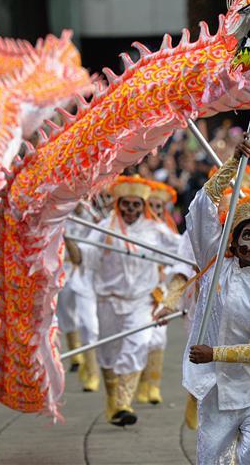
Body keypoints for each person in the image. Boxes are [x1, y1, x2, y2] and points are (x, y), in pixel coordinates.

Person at [175, 136, 250, 464]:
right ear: (234, 239)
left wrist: (214, 353)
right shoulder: (213, 263)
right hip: (215, 389)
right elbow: (201, 207)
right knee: (212, 459)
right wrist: (233, 164)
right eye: (248, 235)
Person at [81, 175, 179, 426]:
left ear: (143, 206)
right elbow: (84, 256)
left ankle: (124, 403)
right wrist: (66, 238)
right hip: (108, 301)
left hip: (140, 301)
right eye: (127, 204)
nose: (131, 209)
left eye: (136, 205)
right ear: (119, 203)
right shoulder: (104, 227)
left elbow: (183, 248)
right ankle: (113, 400)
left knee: (138, 343)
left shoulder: (155, 230)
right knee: (108, 354)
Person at [135, 180, 182, 406]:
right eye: (150, 206)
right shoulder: (140, 230)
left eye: (157, 207)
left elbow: (182, 255)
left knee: (158, 338)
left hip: (161, 290)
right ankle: (141, 383)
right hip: (140, 291)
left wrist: (168, 272)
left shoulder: (166, 231)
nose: (153, 211)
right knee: (141, 338)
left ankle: (153, 385)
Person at [57, 204, 100, 392]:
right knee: (65, 311)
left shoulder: (94, 215)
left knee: (89, 322)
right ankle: (76, 352)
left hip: (86, 273)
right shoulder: (58, 214)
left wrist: (100, 222)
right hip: (64, 269)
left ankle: (92, 371)